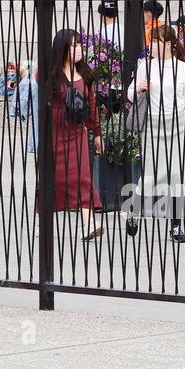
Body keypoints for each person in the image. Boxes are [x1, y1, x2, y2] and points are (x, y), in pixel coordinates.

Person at [126, 25, 185, 243]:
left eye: (156, 42)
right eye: (152, 42)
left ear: (168, 44)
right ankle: (134, 213)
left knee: (177, 177)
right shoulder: (144, 66)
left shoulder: (183, 69)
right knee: (149, 175)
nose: (152, 46)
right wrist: (138, 88)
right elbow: (129, 94)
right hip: (153, 126)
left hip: (179, 126)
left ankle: (176, 226)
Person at [48, 29, 103, 241]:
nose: (77, 48)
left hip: (77, 133)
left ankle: (88, 224)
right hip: (54, 133)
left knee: (82, 177)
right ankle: (43, 221)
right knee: (53, 179)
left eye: (79, 44)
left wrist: (97, 133)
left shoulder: (85, 74)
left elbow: (92, 106)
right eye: (72, 45)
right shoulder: (52, 75)